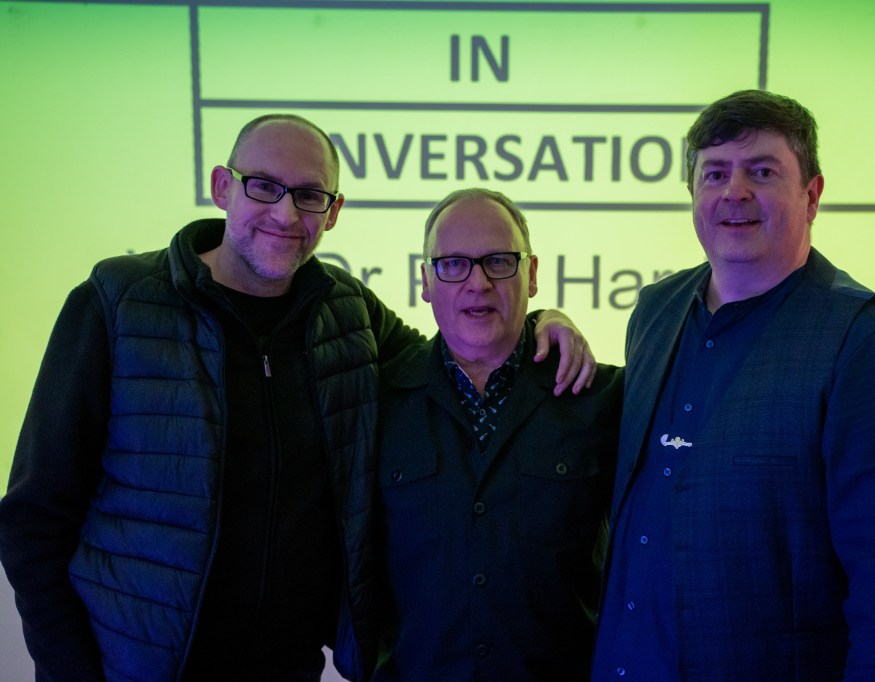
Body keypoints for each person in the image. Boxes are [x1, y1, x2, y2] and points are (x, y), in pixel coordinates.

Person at [0, 115, 595, 682]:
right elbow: (33, 519)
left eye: (310, 195)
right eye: (264, 187)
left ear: (333, 212)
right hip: (135, 666)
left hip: (287, 667)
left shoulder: (346, 310)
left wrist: (544, 318)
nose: (286, 213)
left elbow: (461, 349)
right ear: (221, 188)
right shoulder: (118, 302)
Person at [592, 90, 875, 681]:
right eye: (714, 173)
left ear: (812, 195)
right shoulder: (655, 312)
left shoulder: (871, 345)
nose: (734, 191)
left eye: (762, 172)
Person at [373, 189, 622, 681]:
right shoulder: (378, 403)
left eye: (499, 261)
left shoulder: (603, 398)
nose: (478, 283)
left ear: (531, 275)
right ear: (425, 281)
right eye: (453, 265)